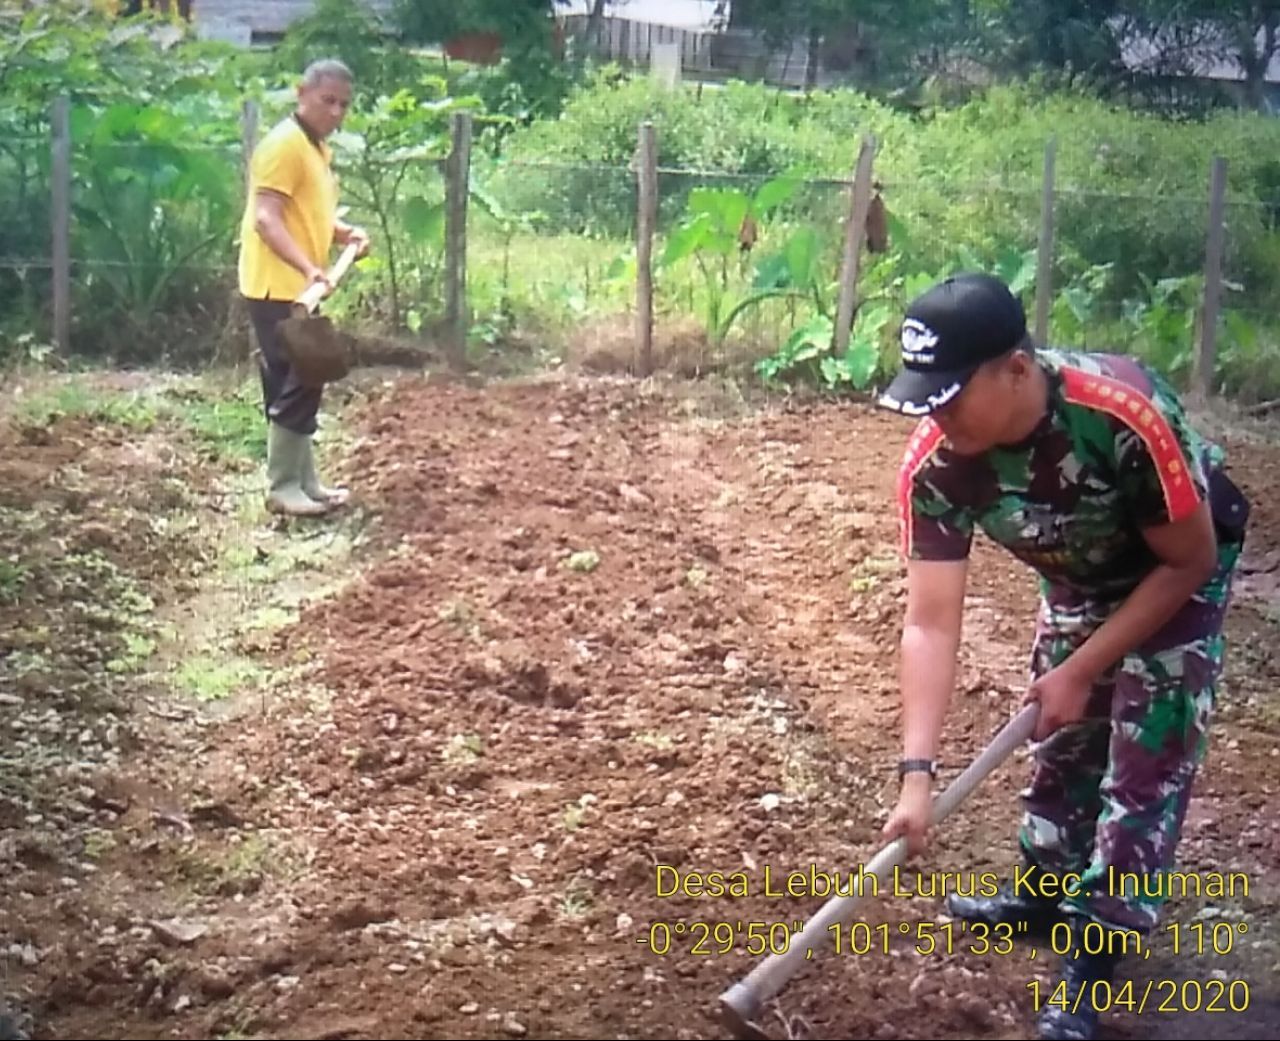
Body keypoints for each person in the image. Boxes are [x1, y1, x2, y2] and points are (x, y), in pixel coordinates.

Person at [876, 272, 1248, 1041]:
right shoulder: (939, 463)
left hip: (1175, 565)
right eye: (926, 397)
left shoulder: (1121, 417)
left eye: (950, 394)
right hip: (1079, 572)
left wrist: (1086, 665)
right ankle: (1044, 892)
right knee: (1063, 735)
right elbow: (932, 623)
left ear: (1016, 366)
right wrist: (917, 776)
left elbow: (1189, 559)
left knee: (1146, 756)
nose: (937, 416)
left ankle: (1096, 951)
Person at [237, 58, 370, 516]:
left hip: (298, 287)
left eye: (344, 105)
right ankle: (282, 486)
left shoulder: (313, 148)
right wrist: (310, 269)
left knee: (301, 378)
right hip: (278, 288)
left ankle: (305, 481)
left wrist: (341, 233)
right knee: (300, 379)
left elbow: (304, 212)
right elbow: (266, 219)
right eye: (327, 101)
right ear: (302, 94)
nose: (336, 112)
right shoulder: (284, 147)